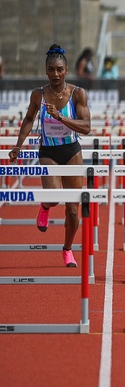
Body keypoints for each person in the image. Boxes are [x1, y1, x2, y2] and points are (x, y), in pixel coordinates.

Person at [7, 45, 92, 267]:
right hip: (48, 152)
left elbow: (86, 127)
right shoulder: (39, 94)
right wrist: (18, 146)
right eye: (51, 69)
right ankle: (45, 206)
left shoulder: (77, 94)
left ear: (66, 71)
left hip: (71, 151)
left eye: (60, 69)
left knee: (72, 212)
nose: (55, 74)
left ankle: (67, 249)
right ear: (46, 71)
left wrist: (61, 118)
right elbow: (28, 119)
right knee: (54, 197)